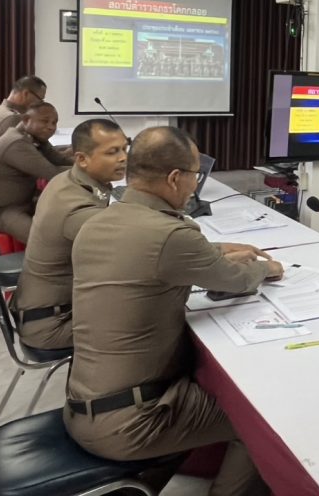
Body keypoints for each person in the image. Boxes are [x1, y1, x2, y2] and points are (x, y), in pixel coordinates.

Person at [64, 126, 280, 496]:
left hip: (83, 406)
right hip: (132, 421)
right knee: (260, 421)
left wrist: (216, 254)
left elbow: (154, 261)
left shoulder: (97, 222)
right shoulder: (171, 235)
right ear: (175, 178)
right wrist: (268, 268)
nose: (195, 186)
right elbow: (236, 281)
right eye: (195, 175)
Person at [12, 118, 128, 350]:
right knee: (153, 322)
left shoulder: (67, 181)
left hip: (44, 308)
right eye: (112, 152)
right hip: (51, 325)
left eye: (125, 149)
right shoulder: (75, 208)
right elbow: (135, 251)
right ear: (82, 159)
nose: (123, 158)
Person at [0, 103, 70, 243]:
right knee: (45, 242)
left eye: (54, 122)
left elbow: (60, 160)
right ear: (26, 120)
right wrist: (92, 168)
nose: (51, 127)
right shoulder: (16, 142)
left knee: (63, 218)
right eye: (45, 121)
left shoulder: (34, 138)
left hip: (21, 203)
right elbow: (52, 172)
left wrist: (87, 160)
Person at [0, 74, 48, 150]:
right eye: (40, 100)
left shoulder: (0, 111)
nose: (40, 104)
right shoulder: (13, 118)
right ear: (25, 94)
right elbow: (29, 153)